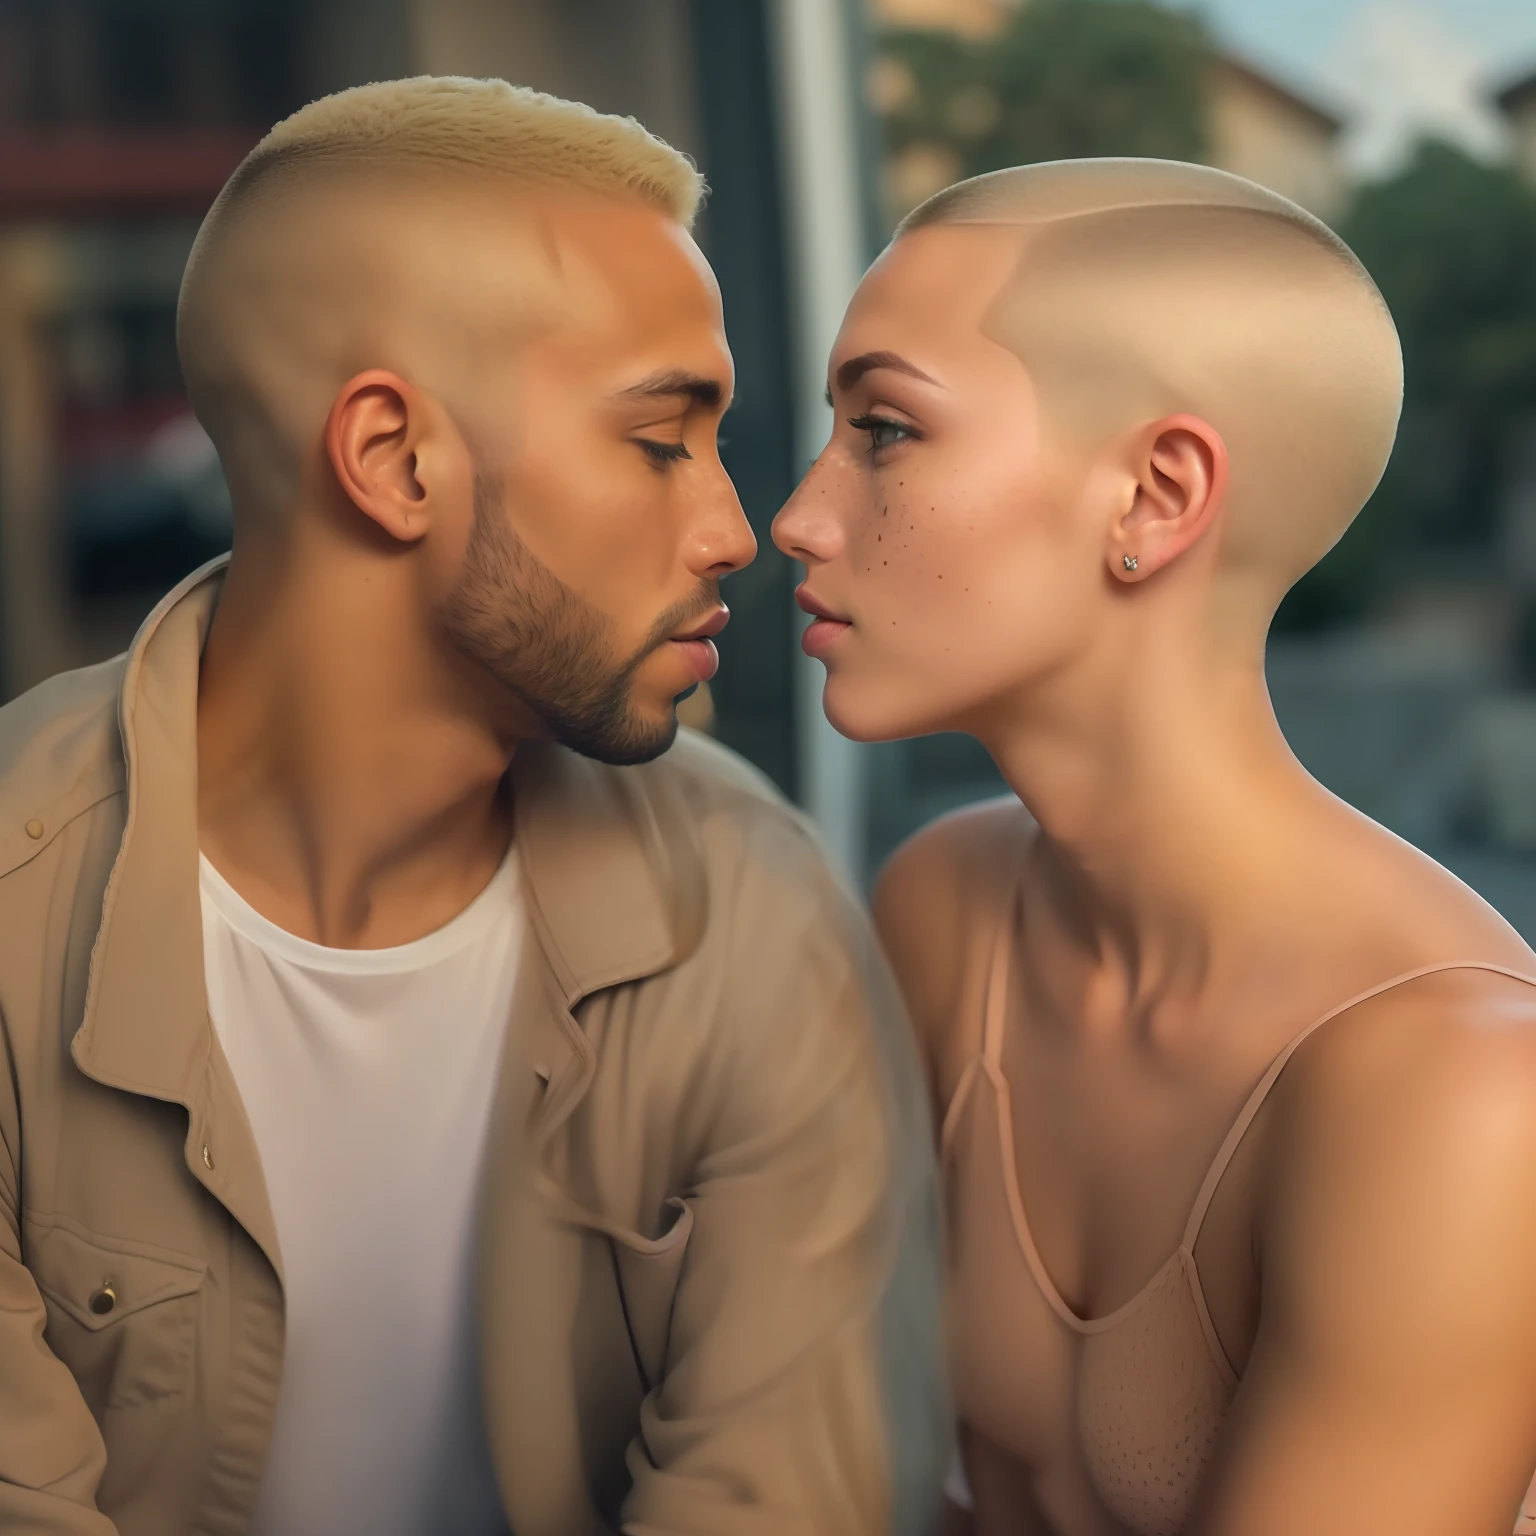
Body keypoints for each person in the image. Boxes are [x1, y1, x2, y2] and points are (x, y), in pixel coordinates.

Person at [0, 77, 947, 1536]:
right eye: (658, 441)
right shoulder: (14, 892)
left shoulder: (755, 902)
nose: (735, 529)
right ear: (392, 460)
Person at [772, 157, 1536, 1536]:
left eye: (883, 431)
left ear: (1156, 497)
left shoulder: (1463, 1097)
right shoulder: (946, 909)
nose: (798, 518)